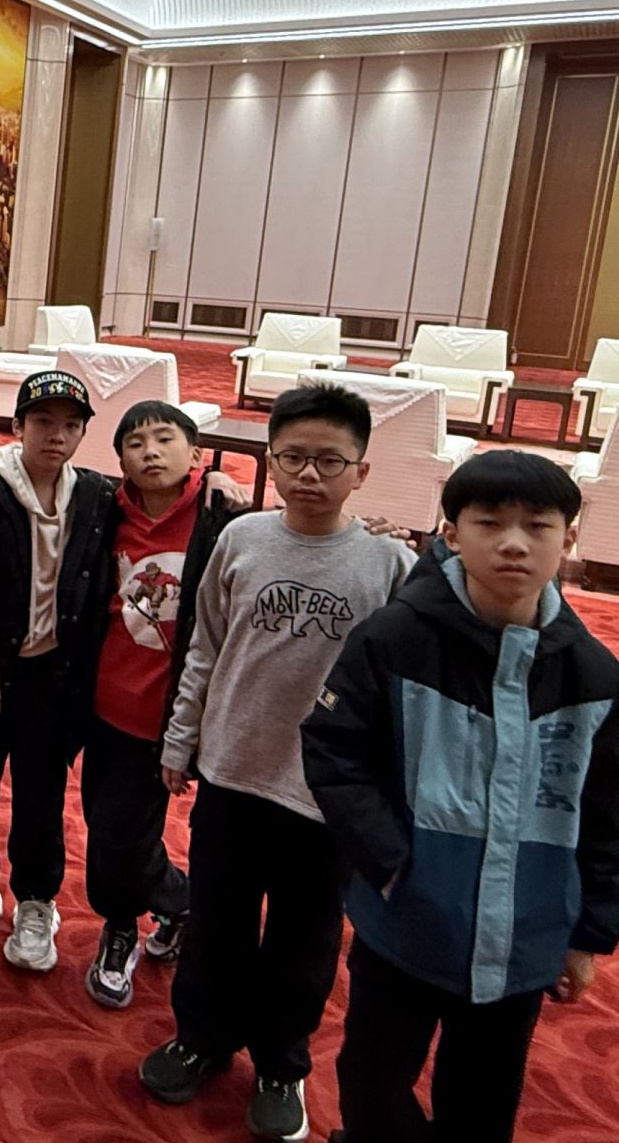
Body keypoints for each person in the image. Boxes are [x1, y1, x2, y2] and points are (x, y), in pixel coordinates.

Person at [303, 450, 619, 1143]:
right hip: (406, 921)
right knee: (372, 1084)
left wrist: (586, 934)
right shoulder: (393, 640)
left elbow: (607, 813)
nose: (514, 543)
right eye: (490, 523)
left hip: (523, 933)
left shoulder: (595, 675)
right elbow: (334, 752)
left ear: (569, 538)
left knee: (483, 1103)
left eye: (537, 526)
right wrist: (392, 864)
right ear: (451, 533)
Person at [141, 382, 414, 1143]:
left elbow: (402, 687)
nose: (309, 474)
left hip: (327, 792)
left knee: (306, 936)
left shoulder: (388, 562)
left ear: (361, 471)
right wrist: (180, 740)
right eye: (292, 457)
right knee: (217, 921)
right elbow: (203, 646)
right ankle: (201, 1037)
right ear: (271, 458)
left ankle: (281, 1063)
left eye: (330, 460)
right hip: (233, 768)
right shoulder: (242, 539)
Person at [0, 369, 120, 971]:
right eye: (42, 422)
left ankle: (37, 900)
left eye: (70, 425)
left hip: (53, 679)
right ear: (17, 426)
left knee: (41, 795)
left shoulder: (94, 495)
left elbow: (162, 501)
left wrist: (211, 478)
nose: (56, 435)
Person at [78, 400, 243, 1010]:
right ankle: (153, 912)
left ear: (195, 453)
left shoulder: (222, 520)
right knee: (107, 827)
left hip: (168, 714)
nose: (150, 451)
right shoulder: (104, 511)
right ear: (119, 460)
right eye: (135, 442)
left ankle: (152, 914)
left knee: (119, 835)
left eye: (164, 439)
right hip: (102, 705)